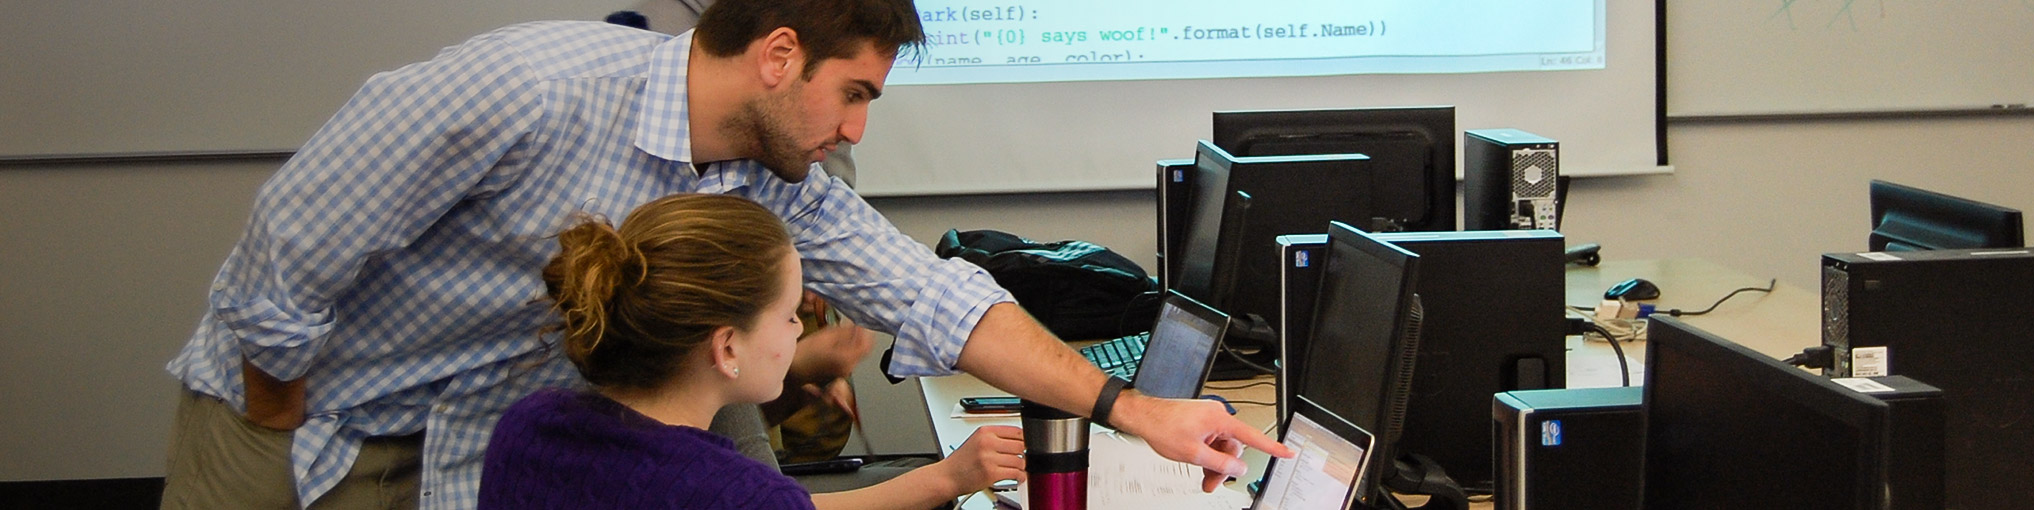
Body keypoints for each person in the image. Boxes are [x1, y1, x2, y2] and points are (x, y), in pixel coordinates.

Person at [159, 1, 1287, 508]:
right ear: (780, 56)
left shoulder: (767, 180)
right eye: (853, 95)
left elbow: (936, 300)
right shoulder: (529, 88)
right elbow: (294, 240)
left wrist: (1135, 411)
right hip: (318, 424)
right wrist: (274, 401)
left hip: (491, 444)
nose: (855, 130)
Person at [480, 193, 1021, 509]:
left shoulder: (528, 424)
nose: (797, 332)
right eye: (789, 315)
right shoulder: (735, 491)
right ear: (727, 346)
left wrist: (946, 478)